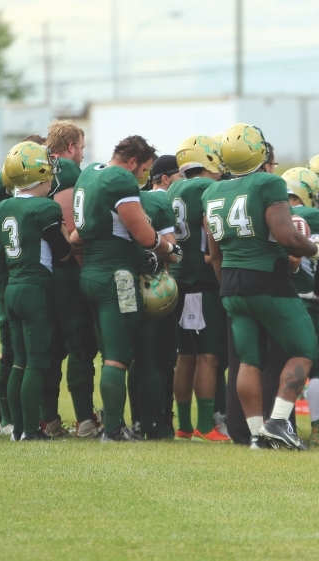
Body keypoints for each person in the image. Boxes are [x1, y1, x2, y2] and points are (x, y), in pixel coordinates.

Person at [203, 123, 319, 450]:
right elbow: (286, 236)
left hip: (230, 282)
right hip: (267, 277)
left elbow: (214, 255)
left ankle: (257, 435)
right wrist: (316, 249)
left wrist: (229, 287)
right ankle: (278, 421)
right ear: (259, 152)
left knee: (249, 359)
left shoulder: (211, 191)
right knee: (305, 349)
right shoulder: (269, 182)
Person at [71, 135, 182, 442]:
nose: (145, 176)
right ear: (132, 162)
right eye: (145, 168)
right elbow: (146, 237)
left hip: (91, 271)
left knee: (110, 351)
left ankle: (114, 423)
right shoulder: (120, 177)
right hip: (116, 274)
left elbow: (75, 238)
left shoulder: (90, 172)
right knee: (118, 356)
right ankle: (115, 428)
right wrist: (171, 250)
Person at [0, 141, 75, 441]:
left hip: (13, 287)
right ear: (38, 173)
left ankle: (16, 427)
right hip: (35, 289)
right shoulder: (45, 207)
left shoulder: (3, 207)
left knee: (19, 361)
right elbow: (63, 252)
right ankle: (29, 429)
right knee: (37, 362)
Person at [167, 138, 232, 442]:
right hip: (201, 280)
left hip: (179, 278)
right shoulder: (206, 189)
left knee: (186, 355)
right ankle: (205, 426)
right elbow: (211, 233)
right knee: (208, 356)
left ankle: (184, 424)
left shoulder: (174, 188)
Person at [42, 120, 100, 439]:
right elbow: (67, 218)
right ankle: (84, 419)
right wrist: (79, 262)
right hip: (63, 270)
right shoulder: (65, 168)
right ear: (72, 147)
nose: (82, 154)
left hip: (32, 270)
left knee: (47, 348)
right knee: (79, 346)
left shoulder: (31, 164)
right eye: (81, 146)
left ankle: (47, 418)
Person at [128, 155, 184, 439]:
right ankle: (158, 423)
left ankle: (136, 422)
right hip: (153, 287)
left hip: (120, 285)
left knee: (130, 358)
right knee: (159, 358)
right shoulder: (158, 202)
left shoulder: (116, 196)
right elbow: (170, 251)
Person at [284, 167, 319, 448]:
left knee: (279, 364)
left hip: (277, 298)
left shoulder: (273, 212)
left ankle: (281, 424)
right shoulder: (313, 216)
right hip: (306, 299)